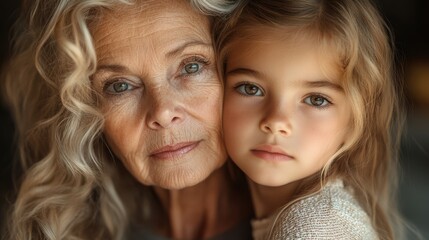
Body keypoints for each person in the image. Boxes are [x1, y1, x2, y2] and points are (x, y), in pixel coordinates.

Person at [1, 0, 253, 239]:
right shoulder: (62, 228)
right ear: (85, 111)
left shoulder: (288, 223)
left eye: (191, 67)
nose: (162, 113)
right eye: (120, 86)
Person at [214, 0, 406, 239]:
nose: (276, 122)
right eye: (250, 89)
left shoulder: (314, 229)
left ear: (357, 119)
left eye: (316, 100)